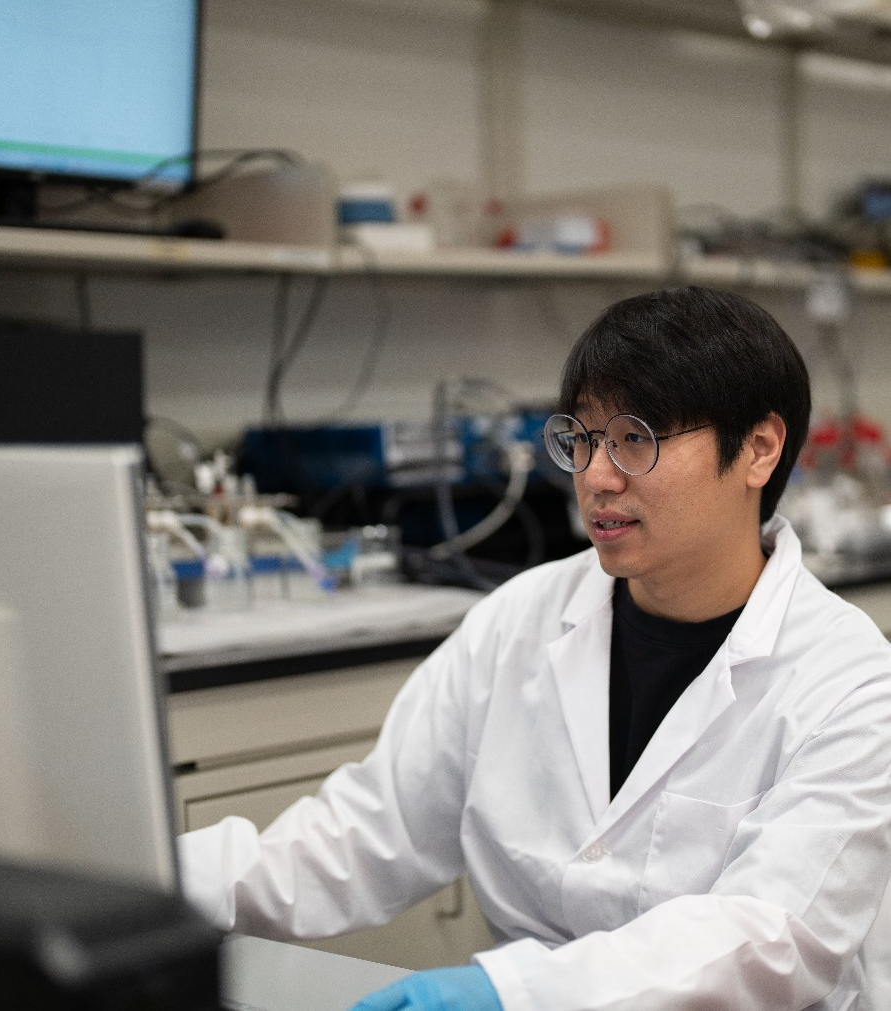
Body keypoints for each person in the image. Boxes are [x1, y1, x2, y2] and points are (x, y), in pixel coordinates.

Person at [178, 285, 891, 1011]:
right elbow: (362, 834)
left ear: (758, 450)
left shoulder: (847, 679)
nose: (596, 477)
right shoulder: (517, 621)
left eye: (634, 439)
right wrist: (148, 884)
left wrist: (510, 991)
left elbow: (770, 937)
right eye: (581, 439)